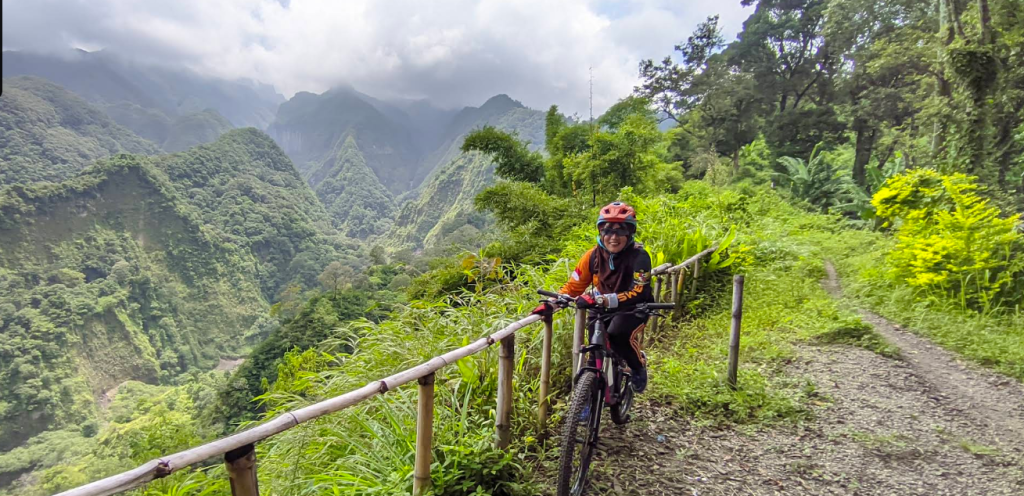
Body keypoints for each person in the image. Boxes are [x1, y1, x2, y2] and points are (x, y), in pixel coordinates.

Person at [533, 201, 654, 393]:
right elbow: (575, 285)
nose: (613, 237)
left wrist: (605, 299)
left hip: (634, 308)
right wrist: (554, 303)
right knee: (594, 350)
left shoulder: (639, 256)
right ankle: (587, 398)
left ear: (630, 233)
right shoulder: (592, 256)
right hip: (599, 307)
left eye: (620, 231)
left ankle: (638, 366)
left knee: (617, 336)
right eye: (607, 231)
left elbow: (639, 290)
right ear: (600, 232)